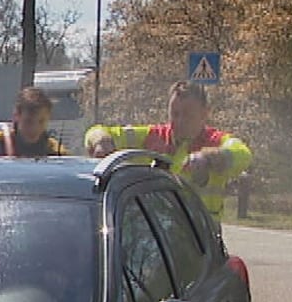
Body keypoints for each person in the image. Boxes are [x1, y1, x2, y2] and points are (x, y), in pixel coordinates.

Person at [84, 81, 252, 218]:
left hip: (203, 240)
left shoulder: (215, 141)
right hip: (159, 237)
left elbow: (243, 155)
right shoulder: (153, 136)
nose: (178, 121)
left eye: (187, 115)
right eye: (174, 113)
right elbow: (98, 131)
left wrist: (210, 158)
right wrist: (101, 141)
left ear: (205, 113)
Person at [0, 87, 71, 158]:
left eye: (41, 121)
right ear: (17, 116)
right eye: (28, 121)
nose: (34, 128)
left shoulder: (56, 153)